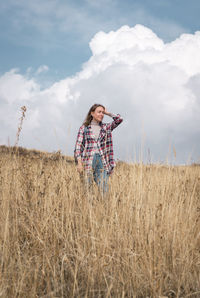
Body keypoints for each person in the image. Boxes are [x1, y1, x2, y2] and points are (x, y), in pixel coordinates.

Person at [74, 104, 123, 194]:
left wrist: (108, 113)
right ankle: (89, 208)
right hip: (88, 160)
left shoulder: (106, 127)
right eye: (99, 112)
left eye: (103, 112)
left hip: (102, 160)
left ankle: (104, 208)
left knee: (104, 189)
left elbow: (119, 120)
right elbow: (78, 147)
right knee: (88, 189)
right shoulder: (84, 128)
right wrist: (79, 163)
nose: (101, 114)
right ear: (92, 113)